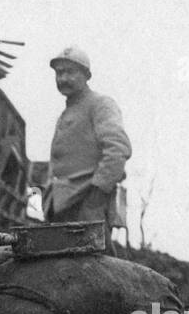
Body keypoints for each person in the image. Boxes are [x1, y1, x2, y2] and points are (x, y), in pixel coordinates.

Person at [44, 46, 131, 250]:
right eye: (59, 72)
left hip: (88, 204)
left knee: (97, 267)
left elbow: (117, 150)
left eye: (70, 72)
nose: (63, 78)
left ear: (86, 75)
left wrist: (97, 193)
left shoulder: (100, 104)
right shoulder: (68, 112)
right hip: (62, 206)